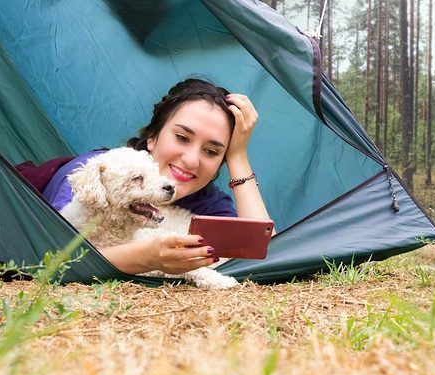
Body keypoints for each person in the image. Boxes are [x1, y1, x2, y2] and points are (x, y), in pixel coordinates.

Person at [43, 78, 271, 275]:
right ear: (152, 137)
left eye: (212, 152)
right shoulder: (100, 173)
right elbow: (52, 254)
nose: (191, 160)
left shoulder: (207, 203)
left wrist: (238, 156)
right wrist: (147, 256)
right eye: (182, 137)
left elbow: (266, 254)